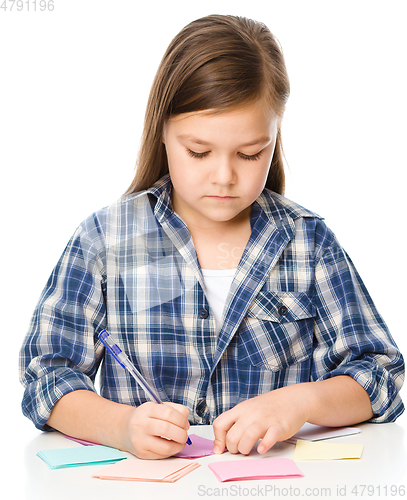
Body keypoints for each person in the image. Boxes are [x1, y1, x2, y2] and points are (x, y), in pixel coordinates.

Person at [19, 14, 404, 460]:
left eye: (250, 153)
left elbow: (381, 373)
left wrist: (302, 402)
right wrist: (122, 426)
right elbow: (45, 379)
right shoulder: (105, 241)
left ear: (275, 137)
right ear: (162, 131)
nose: (224, 176)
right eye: (198, 151)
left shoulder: (307, 243)